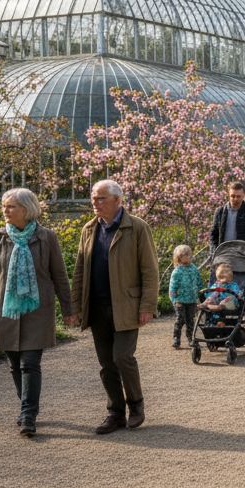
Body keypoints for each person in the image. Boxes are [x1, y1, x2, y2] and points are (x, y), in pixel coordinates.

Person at [0, 188, 74, 438]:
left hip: (37, 310)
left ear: (27, 210)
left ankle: (28, 414)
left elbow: (59, 275)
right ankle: (25, 406)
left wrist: (69, 309)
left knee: (30, 363)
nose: (5, 211)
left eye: (11, 206)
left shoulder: (46, 237)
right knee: (14, 365)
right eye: (4, 206)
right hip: (4, 311)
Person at [68, 179, 159, 436]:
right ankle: (115, 412)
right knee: (106, 363)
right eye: (93, 198)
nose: (94, 203)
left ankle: (136, 405)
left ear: (118, 200)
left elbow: (150, 271)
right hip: (96, 306)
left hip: (126, 306)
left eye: (100, 198)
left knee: (123, 357)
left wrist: (147, 306)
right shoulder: (89, 229)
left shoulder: (137, 227)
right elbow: (79, 270)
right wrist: (75, 306)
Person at [211, 182, 245, 256]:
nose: (235, 199)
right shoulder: (220, 212)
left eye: (238, 196)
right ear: (228, 195)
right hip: (223, 254)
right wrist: (214, 252)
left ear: (244, 195)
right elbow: (213, 235)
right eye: (232, 196)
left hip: (243, 255)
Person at [168, 244, 201, 349]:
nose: (187, 256)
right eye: (184, 255)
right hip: (180, 300)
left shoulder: (194, 269)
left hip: (192, 300)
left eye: (188, 254)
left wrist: (201, 294)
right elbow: (172, 287)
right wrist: (174, 299)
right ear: (179, 258)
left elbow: (199, 282)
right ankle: (176, 338)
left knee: (190, 320)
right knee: (180, 319)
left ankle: (191, 338)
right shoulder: (177, 271)